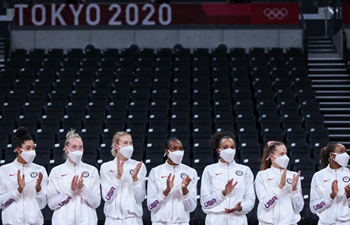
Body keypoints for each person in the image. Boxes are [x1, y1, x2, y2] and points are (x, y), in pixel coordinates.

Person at [200, 131, 255, 225]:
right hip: (215, 220)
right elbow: (205, 203)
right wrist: (223, 193)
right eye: (225, 147)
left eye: (232, 147)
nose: (229, 150)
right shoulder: (209, 170)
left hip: (238, 219)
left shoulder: (245, 170)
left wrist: (240, 207)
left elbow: (250, 199)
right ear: (218, 150)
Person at [47, 129, 100, 225]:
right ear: (66, 149)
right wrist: (70, 191)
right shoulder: (56, 171)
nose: (78, 150)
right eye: (74, 147)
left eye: (80, 147)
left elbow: (96, 203)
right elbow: (51, 204)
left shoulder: (92, 171)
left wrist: (83, 189)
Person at [0, 127, 48, 225]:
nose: (32, 152)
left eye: (33, 148)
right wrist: (18, 191)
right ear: (18, 149)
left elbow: (42, 204)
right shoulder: (3, 170)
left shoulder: (40, 170)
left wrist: (38, 189)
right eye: (28, 148)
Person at [147, 137, 198, 225]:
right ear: (167, 151)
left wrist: (184, 190)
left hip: (182, 223)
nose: (178, 152)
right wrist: (166, 191)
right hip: (159, 223)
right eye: (174, 148)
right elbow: (151, 206)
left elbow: (191, 208)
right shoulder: (155, 172)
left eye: (181, 149)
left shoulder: (191, 172)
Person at [100, 131, 147, 225]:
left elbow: (140, 198)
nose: (129, 146)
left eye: (131, 143)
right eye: (125, 143)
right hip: (112, 219)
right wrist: (118, 177)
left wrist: (135, 179)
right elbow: (107, 197)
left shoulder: (139, 166)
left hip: (133, 219)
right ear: (116, 146)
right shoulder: (106, 167)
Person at [254, 141, 304, 225]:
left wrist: (295, 190)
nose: (286, 157)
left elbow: (298, 208)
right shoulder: (262, 175)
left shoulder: (294, 176)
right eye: (282, 154)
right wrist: (280, 186)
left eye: (286, 153)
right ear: (272, 157)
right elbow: (266, 205)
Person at [310, 142, 350, 224]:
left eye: (345, 151)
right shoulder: (318, 176)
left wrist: (349, 197)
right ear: (332, 155)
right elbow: (314, 208)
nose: (345, 154)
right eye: (341, 151)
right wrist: (331, 196)